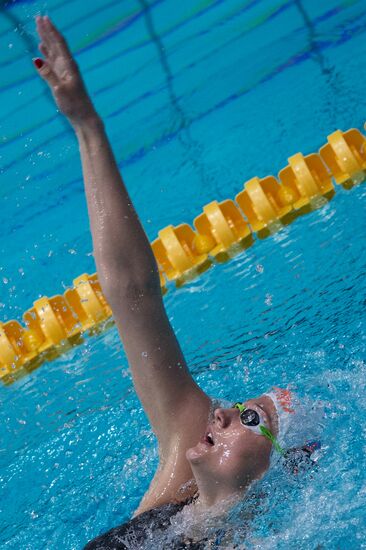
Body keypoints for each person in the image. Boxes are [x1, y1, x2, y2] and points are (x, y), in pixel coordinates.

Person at [33, 16, 320, 549]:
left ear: (274, 469)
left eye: (249, 417)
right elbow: (132, 292)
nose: (224, 410)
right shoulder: (183, 464)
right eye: (240, 408)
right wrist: (88, 127)